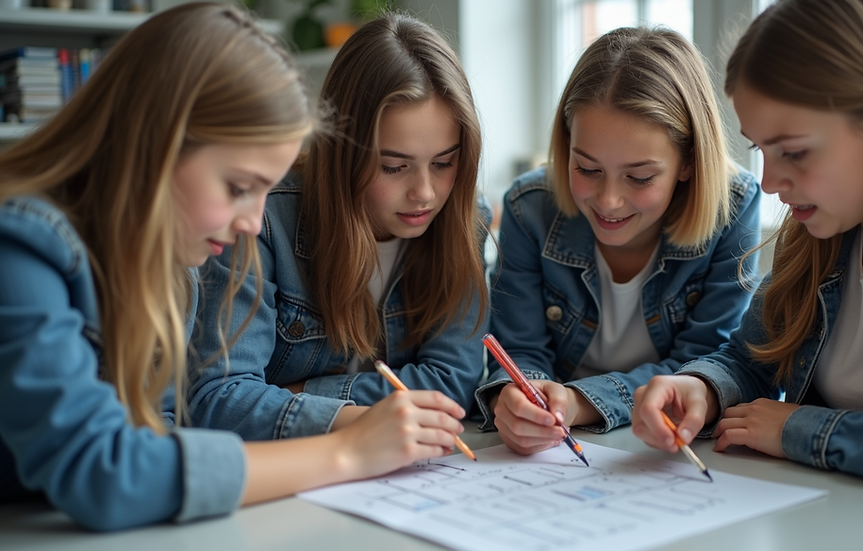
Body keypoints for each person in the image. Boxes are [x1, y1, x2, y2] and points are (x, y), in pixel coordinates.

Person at [0, 3, 467, 531]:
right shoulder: (23, 245)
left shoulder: (170, 261)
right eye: (239, 187)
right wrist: (349, 451)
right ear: (156, 147)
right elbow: (107, 472)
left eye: (265, 190)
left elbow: (166, 436)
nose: (252, 222)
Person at [633, 0, 863, 495]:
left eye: (793, 152)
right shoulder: (822, 232)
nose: (771, 182)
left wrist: (803, 431)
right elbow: (751, 359)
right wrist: (700, 389)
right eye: (760, 150)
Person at [187, 12, 490, 441]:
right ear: (343, 152)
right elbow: (218, 399)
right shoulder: (263, 218)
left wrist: (302, 394)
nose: (425, 192)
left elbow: (451, 384)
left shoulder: (464, 216)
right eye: (393, 166)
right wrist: (357, 420)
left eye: (444, 162)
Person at [474, 26, 761, 456]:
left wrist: (578, 401)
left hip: (666, 450)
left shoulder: (732, 206)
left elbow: (707, 362)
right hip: (563, 453)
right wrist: (515, 399)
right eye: (586, 169)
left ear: (687, 163)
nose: (608, 201)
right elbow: (518, 351)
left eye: (640, 177)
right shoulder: (528, 207)